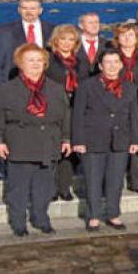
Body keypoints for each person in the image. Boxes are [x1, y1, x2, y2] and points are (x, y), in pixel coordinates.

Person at [0, 44, 71, 236]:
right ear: (20, 64)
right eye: (30, 60)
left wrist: (66, 139)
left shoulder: (56, 88)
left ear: (45, 63)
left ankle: (41, 219)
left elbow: (66, 116)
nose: (35, 64)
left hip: (47, 142)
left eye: (39, 60)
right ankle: (18, 223)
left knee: (44, 187)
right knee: (18, 188)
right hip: (19, 143)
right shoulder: (7, 89)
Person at [72, 49, 138, 232]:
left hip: (120, 139)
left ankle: (113, 214)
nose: (111, 66)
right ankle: (93, 216)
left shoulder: (129, 86)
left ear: (121, 65)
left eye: (115, 62)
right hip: (93, 139)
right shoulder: (87, 86)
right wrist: (78, 140)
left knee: (116, 180)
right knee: (93, 180)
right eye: (107, 62)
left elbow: (134, 115)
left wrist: (135, 139)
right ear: (101, 66)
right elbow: (77, 114)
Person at [46, 24, 88, 201]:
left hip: (75, 107)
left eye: (71, 40)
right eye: (63, 39)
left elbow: (86, 85)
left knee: (70, 149)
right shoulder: (47, 60)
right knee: (52, 147)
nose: (66, 43)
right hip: (53, 108)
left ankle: (64, 187)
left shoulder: (82, 62)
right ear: (55, 40)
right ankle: (51, 188)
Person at [112, 23, 138, 195]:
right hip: (117, 104)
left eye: (131, 35)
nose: (127, 38)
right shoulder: (110, 57)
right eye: (123, 35)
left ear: (137, 38)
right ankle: (114, 183)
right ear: (117, 39)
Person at [0, 0, 55, 82]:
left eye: (33, 8)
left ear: (40, 10)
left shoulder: (52, 30)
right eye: (24, 8)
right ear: (19, 10)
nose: (28, 12)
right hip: (14, 83)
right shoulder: (5, 31)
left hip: (46, 82)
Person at [76, 12, 108, 77]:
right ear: (81, 26)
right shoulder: (73, 44)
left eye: (96, 22)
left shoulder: (107, 44)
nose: (94, 25)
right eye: (90, 23)